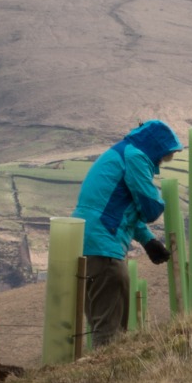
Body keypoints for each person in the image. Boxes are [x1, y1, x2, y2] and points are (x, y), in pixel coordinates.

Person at [71, 119, 184, 347]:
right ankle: (106, 371)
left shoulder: (121, 153)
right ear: (155, 148)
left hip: (86, 246)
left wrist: (148, 240)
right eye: (164, 156)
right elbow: (150, 208)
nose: (161, 163)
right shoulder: (136, 157)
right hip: (105, 252)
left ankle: (98, 368)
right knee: (110, 334)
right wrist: (160, 203)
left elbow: (117, 207)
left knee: (100, 323)